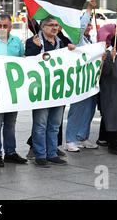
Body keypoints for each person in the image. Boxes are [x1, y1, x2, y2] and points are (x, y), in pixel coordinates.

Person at [25, 16, 76, 167]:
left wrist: (71, 48)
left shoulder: (61, 43)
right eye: (51, 25)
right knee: (40, 124)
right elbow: (28, 61)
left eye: (56, 25)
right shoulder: (33, 41)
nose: (55, 28)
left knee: (54, 124)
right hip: (42, 91)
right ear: (42, 27)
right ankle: (40, 155)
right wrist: (35, 47)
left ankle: (52, 153)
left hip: (58, 90)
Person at [0, 14, 27, 167]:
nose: (2, 28)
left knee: (11, 122)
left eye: (5, 26)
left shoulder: (17, 42)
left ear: (10, 27)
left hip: (13, 89)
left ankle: (10, 152)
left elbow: (23, 61)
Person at [65, 1, 99, 153]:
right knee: (77, 110)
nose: (89, 26)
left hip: (91, 80)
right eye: (88, 24)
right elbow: (81, 27)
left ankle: (82, 136)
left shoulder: (89, 41)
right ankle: (70, 139)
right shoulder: (76, 38)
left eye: (90, 24)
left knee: (89, 109)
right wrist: (89, 9)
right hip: (78, 80)